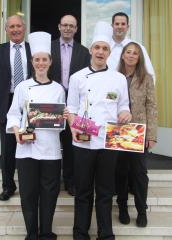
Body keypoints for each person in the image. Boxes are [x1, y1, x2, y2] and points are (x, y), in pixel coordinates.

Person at [67, 22, 131, 240]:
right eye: (97, 48)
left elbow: (123, 106)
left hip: (108, 141)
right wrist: (73, 127)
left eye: (105, 48)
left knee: (105, 192)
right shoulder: (77, 78)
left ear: (109, 52)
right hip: (83, 141)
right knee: (83, 191)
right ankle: (80, 233)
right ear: (91, 50)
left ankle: (105, 233)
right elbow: (72, 109)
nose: (101, 52)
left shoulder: (119, 79)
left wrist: (126, 114)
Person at [6, 31, 68, 240]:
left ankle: (46, 232)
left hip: (50, 149)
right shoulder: (23, 87)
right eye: (37, 59)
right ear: (32, 62)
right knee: (28, 194)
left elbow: (60, 124)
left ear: (50, 62)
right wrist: (16, 131)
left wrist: (62, 118)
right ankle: (31, 233)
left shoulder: (59, 89)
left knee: (50, 193)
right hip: (26, 149)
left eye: (44, 60)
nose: (41, 63)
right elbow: (14, 114)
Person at [0, 15, 32, 201]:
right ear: (6, 29)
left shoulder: (33, 49)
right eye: (11, 26)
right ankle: (8, 186)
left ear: (24, 28)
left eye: (18, 26)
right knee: (7, 148)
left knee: (29, 143)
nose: (15, 29)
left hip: (30, 102)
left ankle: (29, 185)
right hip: (7, 102)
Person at [115, 42, 157, 228]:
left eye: (135, 54)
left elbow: (151, 106)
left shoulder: (146, 78)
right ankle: (122, 207)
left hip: (139, 131)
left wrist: (152, 134)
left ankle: (141, 210)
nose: (131, 56)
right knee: (121, 172)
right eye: (128, 52)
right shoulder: (113, 77)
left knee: (140, 173)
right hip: (118, 130)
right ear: (123, 55)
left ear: (139, 58)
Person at [49, 14, 90, 196]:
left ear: (76, 29)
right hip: (51, 103)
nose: (67, 28)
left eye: (71, 26)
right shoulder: (48, 48)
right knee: (51, 141)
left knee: (72, 142)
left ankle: (70, 181)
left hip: (75, 105)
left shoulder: (84, 51)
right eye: (64, 25)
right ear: (59, 26)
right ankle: (53, 181)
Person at [107, 12, 155, 82]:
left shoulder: (139, 48)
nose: (120, 27)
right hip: (108, 91)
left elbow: (150, 74)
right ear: (112, 26)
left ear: (127, 27)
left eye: (123, 24)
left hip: (133, 91)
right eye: (117, 24)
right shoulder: (104, 48)